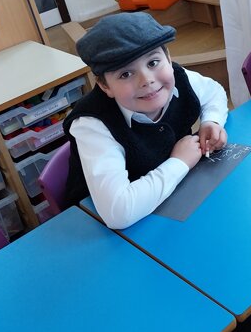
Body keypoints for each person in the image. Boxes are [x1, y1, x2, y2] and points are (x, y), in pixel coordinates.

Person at [63, 12, 228, 229]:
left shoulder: (177, 77)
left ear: (168, 58)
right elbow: (118, 213)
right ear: (105, 86)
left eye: (153, 62)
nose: (147, 80)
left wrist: (211, 122)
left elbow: (214, 92)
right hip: (99, 228)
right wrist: (179, 162)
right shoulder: (92, 124)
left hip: (171, 202)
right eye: (125, 74)